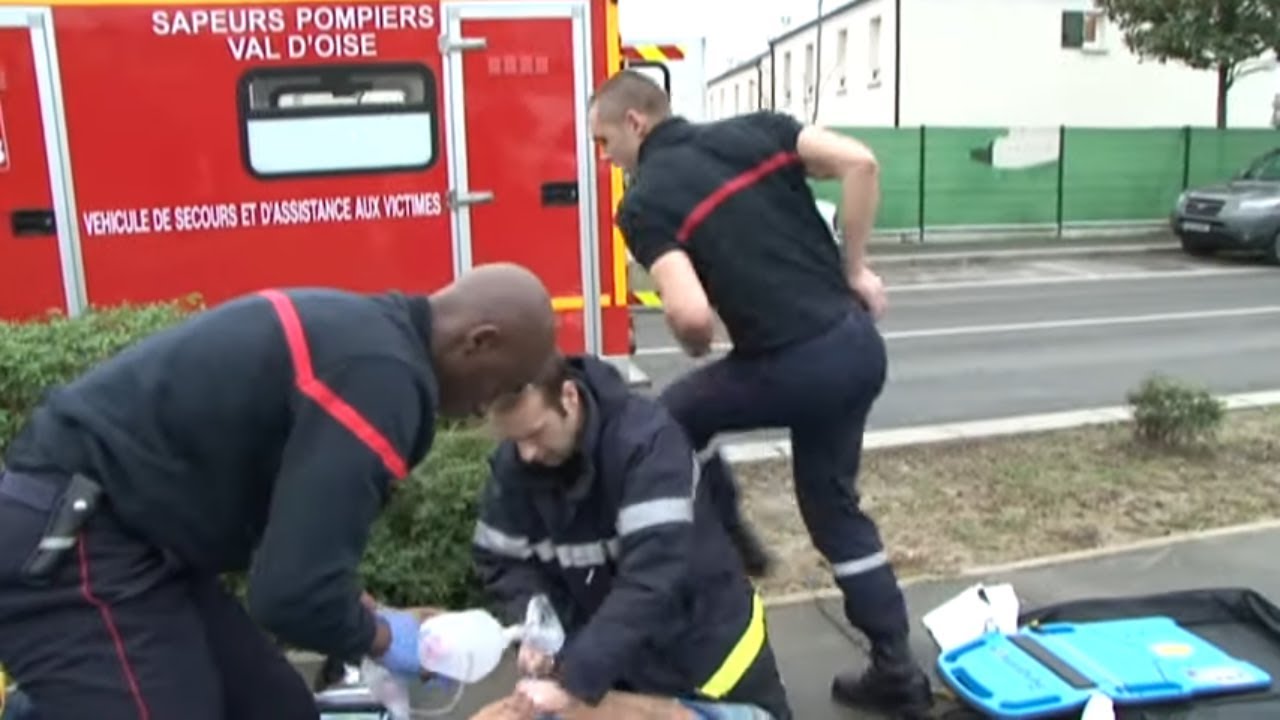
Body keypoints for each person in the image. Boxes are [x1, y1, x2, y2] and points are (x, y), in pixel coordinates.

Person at [0, 263, 559, 720]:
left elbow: (294, 550)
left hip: (141, 546)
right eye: (504, 386)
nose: (489, 408)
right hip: (72, 547)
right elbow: (292, 595)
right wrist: (386, 638)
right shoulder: (384, 383)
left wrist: (363, 610)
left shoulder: (364, 339)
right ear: (479, 342)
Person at [588, 71, 932, 718]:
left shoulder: (645, 203)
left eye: (604, 143)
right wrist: (853, 269)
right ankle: (897, 669)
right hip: (857, 348)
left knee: (669, 419)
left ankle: (726, 533)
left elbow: (690, 317)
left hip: (793, 361)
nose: (604, 158)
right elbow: (860, 161)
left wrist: (695, 345)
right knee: (833, 510)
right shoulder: (759, 131)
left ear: (635, 123)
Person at [468, 355, 792, 720]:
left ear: (569, 398)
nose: (526, 452)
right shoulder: (518, 467)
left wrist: (572, 680)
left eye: (535, 433)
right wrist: (542, 629)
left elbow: (651, 581)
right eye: (514, 440)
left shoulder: (647, 445)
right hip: (623, 674)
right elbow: (501, 561)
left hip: (713, 681)